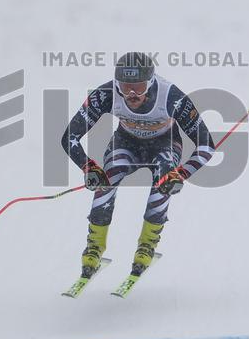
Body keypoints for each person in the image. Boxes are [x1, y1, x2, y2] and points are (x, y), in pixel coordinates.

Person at [61, 52, 216, 279]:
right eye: (125, 87)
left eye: (140, 87)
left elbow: (207, 145)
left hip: (165, 144)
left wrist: (180, 174)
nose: (132, 94)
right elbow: (69, 137)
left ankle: (146, 246)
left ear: (152, 82)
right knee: (108, 178)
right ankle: (94, 248)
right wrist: (89, 168)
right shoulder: (106, 94)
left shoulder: (171, 96)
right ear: (116, 85)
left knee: (164, 182)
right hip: (127, 142)